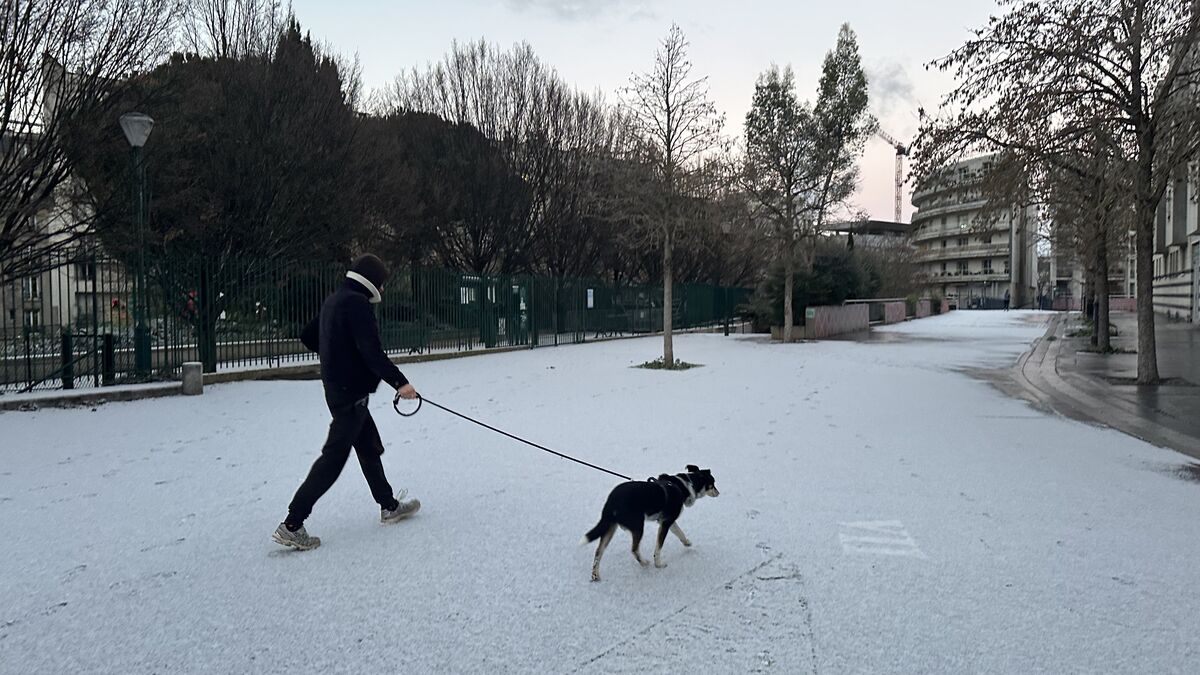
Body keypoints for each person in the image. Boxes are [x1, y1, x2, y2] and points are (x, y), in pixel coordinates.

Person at [272, 254, 421, 551]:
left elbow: (308, 335)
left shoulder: (335, 300)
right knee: (334, 458)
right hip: (350, 394)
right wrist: (400, 383)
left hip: (337, 389)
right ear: (374, 284)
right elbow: (372, 352)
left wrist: (335, 356)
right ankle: (292, 523)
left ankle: (389, 505)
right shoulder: (357, 305)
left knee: (368, 446)